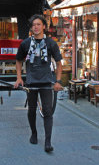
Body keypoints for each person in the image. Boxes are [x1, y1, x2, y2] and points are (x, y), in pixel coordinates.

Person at [14, 14, 63, 153]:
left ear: (44, 27)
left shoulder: (51, 43)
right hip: (31, 82)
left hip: (47, 81)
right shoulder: (26, 43)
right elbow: (18, 60)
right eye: (33, 25)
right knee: (31, 109)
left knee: (48, 111)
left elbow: (59, 63)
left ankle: (48, 142)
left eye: (38, 24)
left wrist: (58, 81)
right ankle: (34, 133)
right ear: (31, 28)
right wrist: (19, 78)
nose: (36, 27)